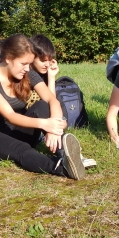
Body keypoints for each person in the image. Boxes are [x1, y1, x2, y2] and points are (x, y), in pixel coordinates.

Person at [0, 34, 85, 180]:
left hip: (17, 128)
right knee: (20, 150)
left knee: (42, 106)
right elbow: (11, 116)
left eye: (29, 63)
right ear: (8, 58)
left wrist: (54, 126)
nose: (27, 68)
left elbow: (52, 100)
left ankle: (66, 152)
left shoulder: (27, 74)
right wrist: (45, 124)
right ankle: (61, 167)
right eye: (23, 64)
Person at [29, 34, 96, 168]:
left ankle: (70, 154)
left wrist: (51, 77)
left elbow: (51, 99)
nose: (47, 64)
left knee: (57, 110)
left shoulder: (43, 74)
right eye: (43, 60)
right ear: (32, 57)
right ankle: (68, 154)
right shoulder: (26, 73)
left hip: (40, 125)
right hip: (27, 125)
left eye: (50, 60)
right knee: (44, 106)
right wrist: (53, 127)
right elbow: (45, 104)